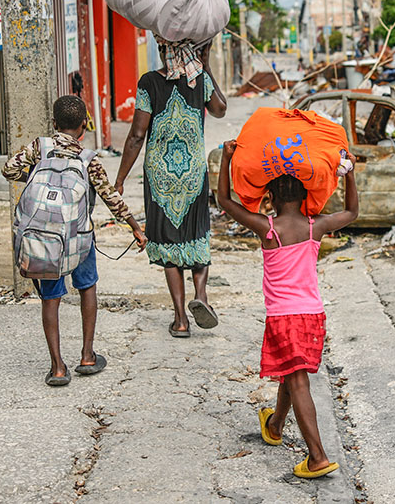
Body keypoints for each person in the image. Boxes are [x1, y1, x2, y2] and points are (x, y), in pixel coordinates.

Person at [216, 140, 358, 479]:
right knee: (291, 373)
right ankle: (275, 424)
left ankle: (318, 457)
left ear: (272, 198)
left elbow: (223, 200)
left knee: (297, 381)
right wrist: (350, 171)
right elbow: (352, 213)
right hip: (313, 315)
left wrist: (226, 158)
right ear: (306, 196)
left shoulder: (268, 229)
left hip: (284, 317)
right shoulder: (316, 226)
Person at [2, 95, 147, 386]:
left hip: (43, 238)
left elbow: (8, 170)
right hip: (78, 238)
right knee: (87, 287)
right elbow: (110, 197)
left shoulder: (38, 148)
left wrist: (36, 176)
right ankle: (87, 356)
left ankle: (57, 368)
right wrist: (135, 227)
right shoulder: (88, 159)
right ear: (83, 126)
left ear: (53, 124)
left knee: (50, 298)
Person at [115, 42, 227, 338]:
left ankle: (180, 320)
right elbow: (220, 109)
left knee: (167, 243)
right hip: (193, 175)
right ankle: (200, 296)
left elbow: (137, 136)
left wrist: (120, 179)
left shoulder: (149, 82)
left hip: (161, 177)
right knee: (197, 235)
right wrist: (206, 66)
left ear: (162, 48)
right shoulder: (199, 80)